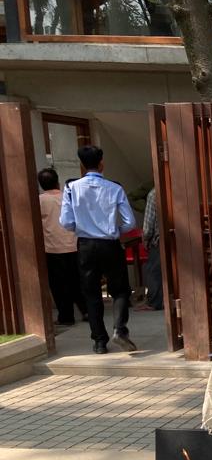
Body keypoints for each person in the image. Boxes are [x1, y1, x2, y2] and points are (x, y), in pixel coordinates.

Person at [59, 145, 138, 354]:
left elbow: (65, 221)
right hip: (110, 244)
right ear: (101, 164)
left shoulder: (71, 188)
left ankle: (100, 341)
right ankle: (120, 329)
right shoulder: (115, 188)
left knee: (91, 293)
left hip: (85, 245)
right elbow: (130, 222)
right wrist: (115, 230)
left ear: (82, 165)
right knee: (120, 289)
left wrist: (82, 228)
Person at [37, 168, 87, 326]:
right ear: (57, 181)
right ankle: (86, 310)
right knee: (78, 281)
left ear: (41, 184)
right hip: (74, 245)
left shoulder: (39, 201)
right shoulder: (68, 197)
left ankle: (66, 316)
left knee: (59, 285)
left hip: (52, 248)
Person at [139, 187, 164, 311]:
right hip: (182, 239)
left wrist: (145, 238)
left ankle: (154, 302)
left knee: (153, 271)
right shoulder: (180, 189)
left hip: (160, 240)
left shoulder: (154, 194)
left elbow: (148, 223)